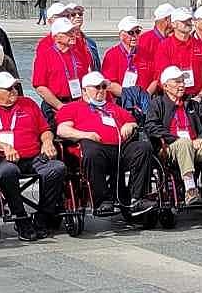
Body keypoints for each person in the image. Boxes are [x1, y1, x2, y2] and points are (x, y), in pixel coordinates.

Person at [0, 71, 65, 239]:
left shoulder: (28, 103)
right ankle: (21, 218)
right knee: (7, 172)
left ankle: (43, 217)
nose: (14, 91)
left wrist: (47, 142)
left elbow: (45, 130)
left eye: (15, 87)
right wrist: (3, 145)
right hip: (5, 158)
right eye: (8, 89)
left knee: (57, 168)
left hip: (34, 155)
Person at [56, 70, 157, 216]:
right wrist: (86, 135)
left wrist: (129, 125)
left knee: (143, 147)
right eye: (97, 87)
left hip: (120, 148)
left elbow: (132, 121)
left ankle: (137, 198)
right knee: (92, 150)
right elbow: (62, 130)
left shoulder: (113, 107)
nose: (102, 91)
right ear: (85, 90)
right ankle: (102, 200)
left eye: (104, 87)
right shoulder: (72, 108)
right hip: (95, 148)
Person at [142, 66, 202, 206]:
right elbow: (151, 126)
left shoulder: (192, 103)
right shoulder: (157, 104)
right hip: (170, 148)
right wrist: (175, 139)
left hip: (195, 145)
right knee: (184, 143)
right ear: (166, 86)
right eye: (177, 81)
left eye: (183, 81)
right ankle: (190, 189)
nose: (181, 85)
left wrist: (201, 138)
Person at [32, 16, 92, 117]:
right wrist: (60, 106)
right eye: (68, 33)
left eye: (73, 31)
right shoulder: (45, 56)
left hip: (78, 103)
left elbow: (87, 79)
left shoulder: (79, 54)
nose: (73, 35)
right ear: (56, 37)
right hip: (55, 106)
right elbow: (40, 87)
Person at [104, 16, 148, 111]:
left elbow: (154, 78)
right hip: (121, 102)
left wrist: (145, 97)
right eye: (131, 33)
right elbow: (109, 84)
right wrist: (130, 97)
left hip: (144, 102)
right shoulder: (111, 54)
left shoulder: (145, 53)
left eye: (137, 32)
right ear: (121, 35)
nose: (135, 36)